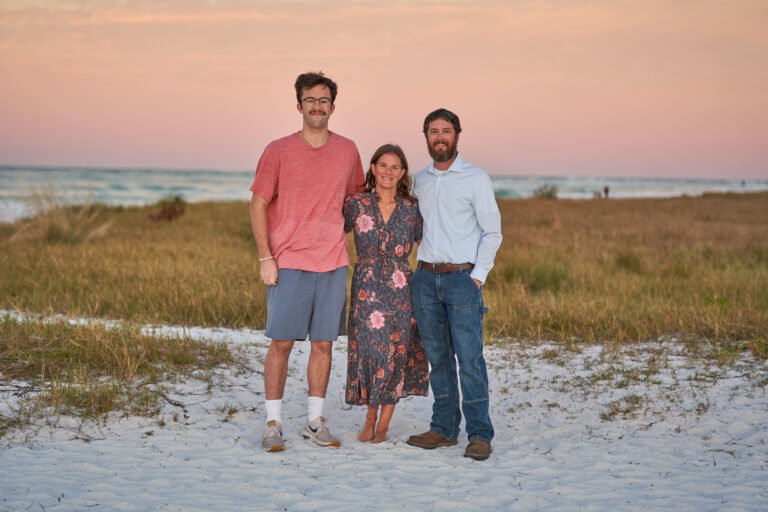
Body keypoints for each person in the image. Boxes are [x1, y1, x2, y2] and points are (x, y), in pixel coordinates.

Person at [249, 72, 365, 452]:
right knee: (281, 343)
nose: (317, 106)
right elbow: (259, 203)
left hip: (332, 262)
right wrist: (267, 257)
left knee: (324, 344)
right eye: (310, 100)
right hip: (290, 261)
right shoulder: (278, 149)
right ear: (298, 106)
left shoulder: (348, 151)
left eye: (324, 100)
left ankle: (315, 422)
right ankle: (273, 423)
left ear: (333, 106)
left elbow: (356, 202)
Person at [406, 108, 502, 461]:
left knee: (470, 359)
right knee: (439, 359)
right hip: (426, 279)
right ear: (426, 136)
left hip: (463, 278)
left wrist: (477, 277)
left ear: (457, 135)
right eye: (434, 131)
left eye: (447, 130)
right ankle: (444, 429)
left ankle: (479, 434)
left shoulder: (476, 178)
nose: (440, 136)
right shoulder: (420, 181)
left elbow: (493, 232)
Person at [343, 144, 429, 444]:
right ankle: (369, 418)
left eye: (395, 167)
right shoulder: (356, 204)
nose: (388, 172)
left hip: (401, 288)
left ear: (402, 172)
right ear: (373, 167)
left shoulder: (412, 208)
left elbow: (431, 243)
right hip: (366, 288)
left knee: (397, 353)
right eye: (383, 165)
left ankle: (384, 425)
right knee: (371, 351)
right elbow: (331, 232)